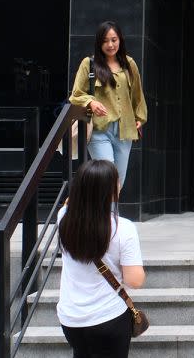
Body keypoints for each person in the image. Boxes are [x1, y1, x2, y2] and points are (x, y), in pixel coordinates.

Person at [57, 159, 145, 357]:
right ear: (111, 191)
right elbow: (135, 280)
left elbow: (71, 203)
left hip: (71, 319)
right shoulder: (124, 228)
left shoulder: (63, 217)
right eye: (117, 181)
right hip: (109, 318)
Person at [69, 21, 147, 189]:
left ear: (120, 40)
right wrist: (91, 102)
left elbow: (137, 95)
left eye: (114, 39)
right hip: (98, 129)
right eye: (105, 41)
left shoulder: (129, 64)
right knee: (106, 177)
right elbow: (76, 95)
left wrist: (140, 117)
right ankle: (105, 215)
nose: (110, 45)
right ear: (99, 42)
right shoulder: (89, 63)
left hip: (124, 130)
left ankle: (110, 213)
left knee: (119, 180)